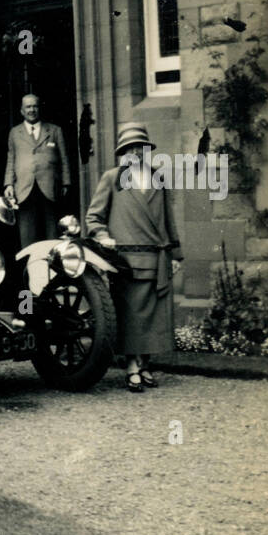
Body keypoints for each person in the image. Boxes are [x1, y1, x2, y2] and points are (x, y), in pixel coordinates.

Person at [85, 122, 184, 392]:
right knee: (131, 316)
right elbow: (94, 217)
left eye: (139, 148)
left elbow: (167, 219)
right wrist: (103, 236)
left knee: (152, 317)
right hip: (126, 261)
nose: (135, 154)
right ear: (122, 153)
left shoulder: (158, 178)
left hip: (156, 258)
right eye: (129, 149)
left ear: (146, 151)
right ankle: (131, 367)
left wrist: (175, 255)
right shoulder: (112, 178)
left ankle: (145, 365)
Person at [3, 93, 72, 246]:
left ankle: (52, 268)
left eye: (35, 106)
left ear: (39, 109)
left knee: (52, 235)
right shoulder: (15, 133)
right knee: (27, 235)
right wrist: (8, 184)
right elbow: (11, 159)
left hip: (49, 188)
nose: (31, 110)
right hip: (24, 188)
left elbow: (64, 159)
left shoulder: (54, 131)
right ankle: (31, 268)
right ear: (22, 110)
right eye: (28, 107)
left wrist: (66, 182)